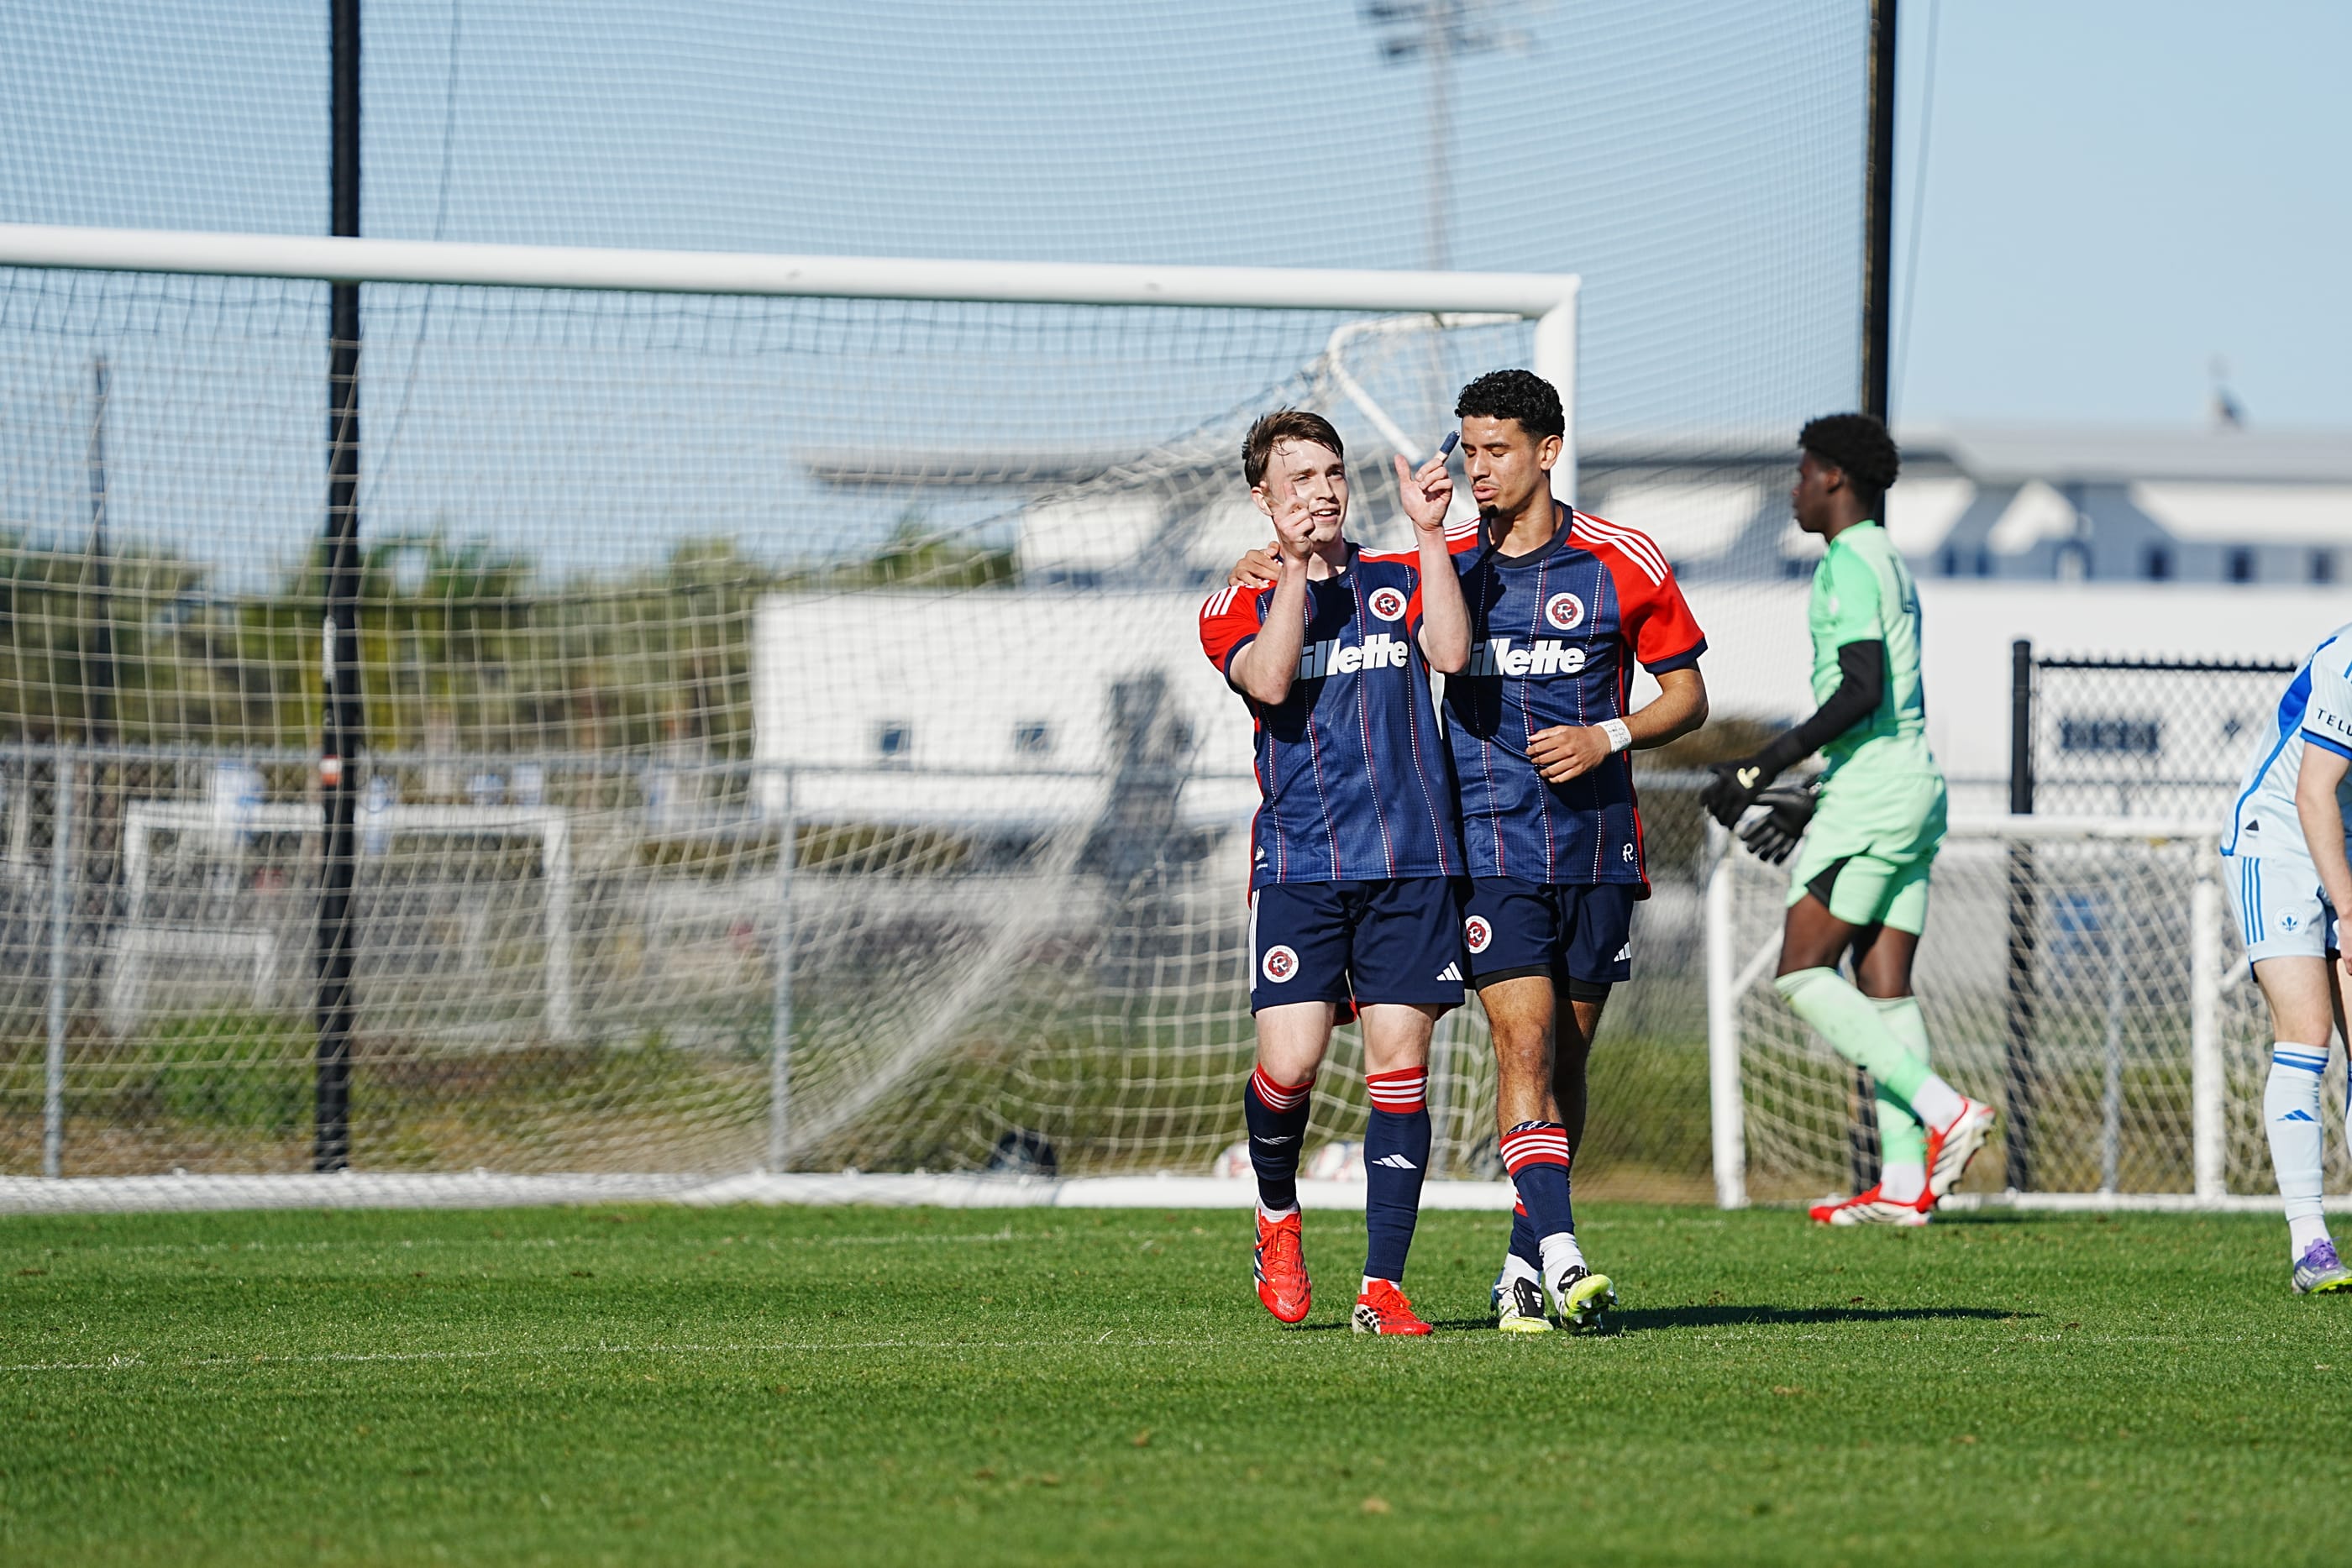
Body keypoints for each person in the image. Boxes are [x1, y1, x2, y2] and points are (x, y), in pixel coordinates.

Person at [1230, 370, 1710, 1332]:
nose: (1475, 467)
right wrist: (1278, 557)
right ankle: (1560, 1255)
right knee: (1519, 1043)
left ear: (1545, 451)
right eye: (1467, 447)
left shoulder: (1621, 560)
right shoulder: (1434, 559)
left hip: (1594, 846)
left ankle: (1520, 1266)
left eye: (1494, 449)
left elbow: (1688, 694)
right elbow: (1344, 584)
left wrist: (1609, 735)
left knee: (1564, 1059)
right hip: (1477, 846)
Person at [1199, 407, 1472, 1334]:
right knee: (1292, 1064)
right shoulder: (1231, 601)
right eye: (1300, 478)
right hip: (1302, 866)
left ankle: (1382, 1288)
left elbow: (1452, 653)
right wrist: (1287, 573)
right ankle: (1277, 1217)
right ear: (1263, 498)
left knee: (1402, 1066)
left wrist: (1430, 530)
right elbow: (1271, 681)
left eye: (1331, 473)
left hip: (1410, 864)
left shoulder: (1397, 574)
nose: (1320, 491)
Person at [1701, 412, 1995, 1225]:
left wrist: (1767, 762)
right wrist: (1822, 784)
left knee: (1800, 970)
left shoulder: (1847, 561)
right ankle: (1904, 1188)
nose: (1793, 489)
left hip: (1877, 790)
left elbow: (1860, 688)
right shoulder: (1885, 558)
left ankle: (1946, 1113)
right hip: (1908, 785)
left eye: (1801, 473)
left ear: (1833, 476)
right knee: (1884, 983)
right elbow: (1882, 700)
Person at [2218, 621, 2352, 1293]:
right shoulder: (2350, 660)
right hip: (2278, 844)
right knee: (2308, 1033)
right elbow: (2313, 792)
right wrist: (2350, 911)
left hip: (2345, 845)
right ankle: (2311, 1244)